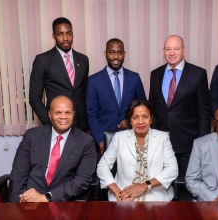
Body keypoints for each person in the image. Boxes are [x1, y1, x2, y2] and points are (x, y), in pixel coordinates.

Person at [10, 96, 97, 202]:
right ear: (50, 115)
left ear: (74, 114)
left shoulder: (86, 142)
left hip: (62, 201)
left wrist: (45, 197)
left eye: (68, 112)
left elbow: (81, 181)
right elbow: (19, 173)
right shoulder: (31, 136)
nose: (63, 117)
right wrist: (19, 202)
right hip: (30, 198)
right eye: (58, 112)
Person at [149, 35, 211, 177]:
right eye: (168, 49)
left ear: (184, 50)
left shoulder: (198, 74)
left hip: (188, 145)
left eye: (176, 49)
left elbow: (204, 112)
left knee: (187, 186)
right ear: (163, 51)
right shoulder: (155, 74)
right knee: (161, 185)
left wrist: (202, 143)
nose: (172, 53)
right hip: (160, 144)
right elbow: (151, 108)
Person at [97, 99, 178, 201]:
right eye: (135, 117)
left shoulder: (162, 138)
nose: (140, 122)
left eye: (145, 117)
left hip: (154, 194)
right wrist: (118, 193)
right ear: (130, 120)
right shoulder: (119, 137)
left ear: (151, 118)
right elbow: (102, 166)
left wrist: (144, 186)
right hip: (124, 193)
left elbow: (172, 169)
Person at [87, 38, 146, 160]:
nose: (116, 56)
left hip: (131, 139)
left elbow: (143, 107)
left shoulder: (134, 78)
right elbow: (91, 114)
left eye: (119, 52)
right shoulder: (93, 81)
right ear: (105, 54)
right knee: (106, 178)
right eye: (112, 52)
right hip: (104, 140)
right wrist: (100, 141)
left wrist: (130, 119)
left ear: (124, 54)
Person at [29, 17, 89, 132]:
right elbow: (34, 98)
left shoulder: (83, 60)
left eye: (69, 34)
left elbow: (84, 94)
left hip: (82, 126)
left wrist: (88, 123)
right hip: (56, 125)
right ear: (53, 36)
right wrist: (50, 122)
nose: (65, 38)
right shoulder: (42, 60)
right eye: (60, 34)